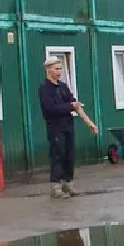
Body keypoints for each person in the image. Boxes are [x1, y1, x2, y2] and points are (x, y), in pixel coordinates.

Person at [38, 56, 96, 199]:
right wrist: (70, 106)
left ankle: (68, 183)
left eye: (60, 69)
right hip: (55, 127)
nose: (59, 72)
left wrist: (89, 122)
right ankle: (55, 186)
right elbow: (51, 108)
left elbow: (75, 105)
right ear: (48, 69)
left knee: (70, 155)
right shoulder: (44, 88)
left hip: (68, 126)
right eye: (56, 69)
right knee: (58, 154)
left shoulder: (63, 87)